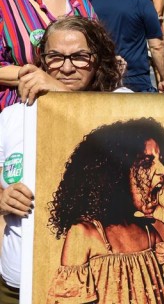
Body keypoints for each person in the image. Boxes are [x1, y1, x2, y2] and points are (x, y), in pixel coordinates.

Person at [0, 17, 124, 303]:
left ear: (99, 58)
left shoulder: (122, 102)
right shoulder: (12, 117)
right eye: (55, 57)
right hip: (17, 283)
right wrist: (3, 197)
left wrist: (58, 92)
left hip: (93, 290)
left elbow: (106, 143)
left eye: (80, 57)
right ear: (42, 59)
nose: (66, 68)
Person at [46, 118, 164, 303]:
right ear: (117, 171)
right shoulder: (84, 234)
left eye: (161, 160)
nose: (162, 170)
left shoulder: (148, 233)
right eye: (148, 161)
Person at [90, 0, 164, 93]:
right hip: (135, 78)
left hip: (101, 78)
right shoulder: (143, 4)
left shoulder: (90, 4)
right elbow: (157, 46)